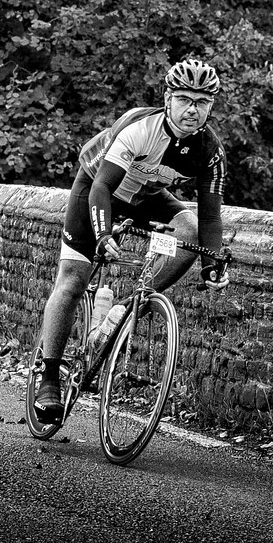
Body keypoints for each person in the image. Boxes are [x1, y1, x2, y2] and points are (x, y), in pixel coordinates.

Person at [33, 58, 232, 422]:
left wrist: (211, 263)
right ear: (169, 98)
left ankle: (125, 308)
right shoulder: (140, 127)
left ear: (211, 106)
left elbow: (209, 215)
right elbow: (102, 187)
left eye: (202, 102)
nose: (193, 109)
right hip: (97, 190)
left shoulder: (210, 151)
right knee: (73, 279)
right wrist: (104, 233)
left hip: (145, 197)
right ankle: (49, 379)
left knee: (187, 229)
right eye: (185, 99)